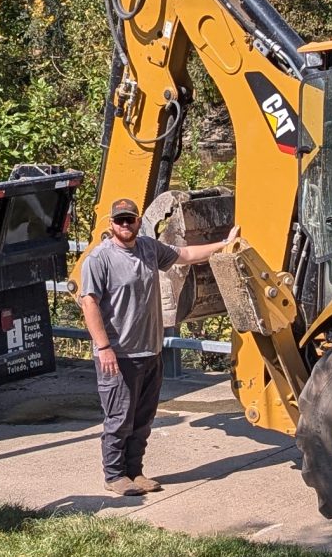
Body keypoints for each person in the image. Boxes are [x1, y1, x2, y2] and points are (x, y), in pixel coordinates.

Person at [77, 198, 242, 496]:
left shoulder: (149, 249)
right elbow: (89, 303)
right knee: (119, 419)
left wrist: (224, 244)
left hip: (150, 352)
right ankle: (114, 475)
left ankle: (135, 472)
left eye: (130, 219)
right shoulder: (99, 259)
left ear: (139, 221)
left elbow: (186, 254)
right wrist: (104, 348)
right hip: (119, 355)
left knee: (143, 419)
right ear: (111, 224)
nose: (125, 224)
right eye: (119, 220)